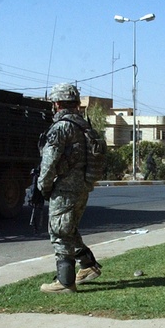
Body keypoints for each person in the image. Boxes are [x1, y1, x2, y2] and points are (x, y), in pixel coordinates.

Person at [36, 83, 102, 293]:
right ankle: (88, 266)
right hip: (83, 186)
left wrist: (43, 187)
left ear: (56, 103)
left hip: (65, 189)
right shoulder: (84, 125)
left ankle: (65, 282)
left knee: (59, 232)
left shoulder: (61, 128)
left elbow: (49, 163)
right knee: (68, 228)